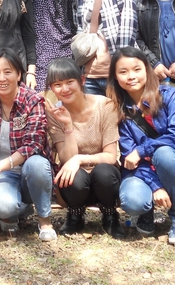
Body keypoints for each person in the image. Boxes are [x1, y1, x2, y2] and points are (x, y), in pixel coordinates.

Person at [110, 47, 175, 246]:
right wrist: (156, 187)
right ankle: (146, 211)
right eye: (123, 72)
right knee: (132, 200)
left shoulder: (168, 95)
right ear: (115, 77)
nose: (131, 76)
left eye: (137, 69)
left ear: (147, 70)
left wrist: (142, 150)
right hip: (141, 173)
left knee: (163, 153)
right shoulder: (117, 109)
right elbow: (129, 158)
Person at [0, 49, 56, 241]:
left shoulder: (33, 101)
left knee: (37, 163)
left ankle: (45, 221)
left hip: (28, 171)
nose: (2, 78)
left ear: (19, 74)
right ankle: (18, 210)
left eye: (8, 72)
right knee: (5, 207)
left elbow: (32, 145)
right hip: (3, 177)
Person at [44, 58, 124, 238]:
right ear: (52, 89)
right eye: (57, 85)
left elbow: (111, 156)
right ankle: (75, 214)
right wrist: (68, 126)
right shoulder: (55, 114)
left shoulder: (105, 106)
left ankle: (110, 215)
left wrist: (80, 159)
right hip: (77, 186)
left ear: (82, 80)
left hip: (105, 182)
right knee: (72, 175)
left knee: (104, 172)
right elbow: (66, 159)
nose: (64, 89)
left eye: (69, 82)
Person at [56, 0, 138, 96]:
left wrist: (122, 63)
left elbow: (128, 21)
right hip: (90, 77)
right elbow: (80, 32)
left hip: (118, 72)